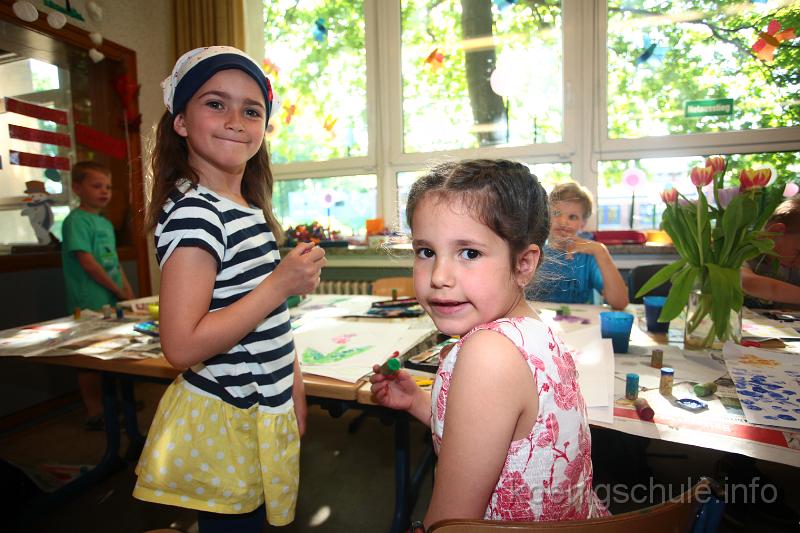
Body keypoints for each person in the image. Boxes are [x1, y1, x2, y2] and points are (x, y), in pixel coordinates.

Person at [132, 46, 326, 532]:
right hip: (228, 416)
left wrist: (294, 387)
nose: (236, 121)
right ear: (180, 121)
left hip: (261, 405)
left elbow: (270, 323)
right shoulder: (196, 214)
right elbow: (181, 346)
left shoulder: (246, 207)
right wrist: (279, 284)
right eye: (216, 104)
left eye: (252, 110)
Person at [371, 160, 607, 528]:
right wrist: (418, 401)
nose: (439, 277)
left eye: (470, 253)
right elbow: (497, 441)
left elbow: (452, 524)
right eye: (426, 252)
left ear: (524, 264)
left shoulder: (489, 354)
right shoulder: (532, 330)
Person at [62, 161, 134, 430]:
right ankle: (94, 411)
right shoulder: (75, 221)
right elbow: (88, 262)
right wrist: (116, 290)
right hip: (89, 302)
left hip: (111, 299)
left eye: (108, 187)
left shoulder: (104, 223)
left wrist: (127, 291)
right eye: (97, 186)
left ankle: (114, 403)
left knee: (112, 351)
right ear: (77, 188)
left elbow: (112, 262)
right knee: (89, 359)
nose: (104, 191)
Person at [526, 181, 628, 309]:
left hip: (580, 321)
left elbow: (620, 303)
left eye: (573, 217)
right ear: (547, 216)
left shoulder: (588, 257)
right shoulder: (534, 252)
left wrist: (601, 251)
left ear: (583, 223)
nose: (563, 222)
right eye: (556, 213)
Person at [742, 195, 800, 308]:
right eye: (799, 252)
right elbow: (748, 283)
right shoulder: (740, 251)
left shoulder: (791, 267)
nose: (799, 263)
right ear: (776, 231)